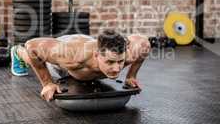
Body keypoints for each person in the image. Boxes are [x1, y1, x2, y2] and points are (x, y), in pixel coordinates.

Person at [10, 30, 151, 102]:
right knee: (34, 59)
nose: (116, 69)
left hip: (85, 43)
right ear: (97, 55)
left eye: (120, 62)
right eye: (109, 62)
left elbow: (144, 43)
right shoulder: (72, 57)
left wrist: (131, 76)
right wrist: (47, 83)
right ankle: (17, 52)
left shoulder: (129, 54)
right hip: (67, 53)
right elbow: (32, 45)